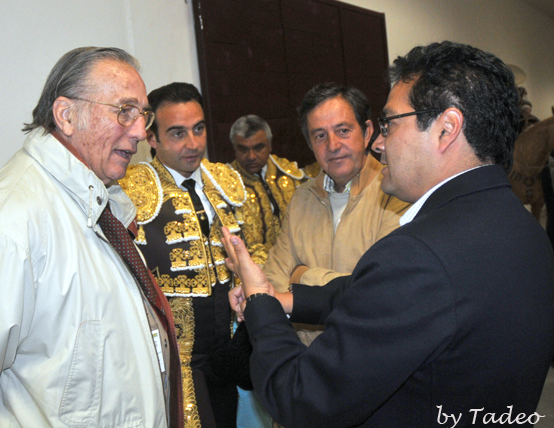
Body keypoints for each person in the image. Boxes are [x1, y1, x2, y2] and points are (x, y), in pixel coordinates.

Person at [221, 41, 554, 427]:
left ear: (446, 129)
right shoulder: (526, 231)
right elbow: (370, 294)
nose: (378, 143)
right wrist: (282, 297)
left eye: (390, 124)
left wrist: (260, 302)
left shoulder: (418, 252)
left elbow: (301, 397)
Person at [0, 47, 182, 428]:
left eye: (143, 114)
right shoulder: (7, 224)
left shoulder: (101, 203)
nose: (141, 132)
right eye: (124, 111)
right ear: (66, 115)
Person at [119, 83, 257, 428]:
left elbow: (258, 251)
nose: (193, 144)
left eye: (198, 129)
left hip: (233, 350)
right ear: (151, 137)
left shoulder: (227, 181)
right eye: (177, 133)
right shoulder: (128, 191)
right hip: (174, 360)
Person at [263, 83, 409, 344]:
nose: (333, 145)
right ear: (310, 144)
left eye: (343, 130)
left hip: (369, 352)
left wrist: (301, 276)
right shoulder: (301, 199)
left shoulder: (397, 194)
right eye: (320, 136)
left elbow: (376, 292)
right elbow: (273, 280)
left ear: (367, 132)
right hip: (306, 354)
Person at [229, 114, 305, 263]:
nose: (251, 156)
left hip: (298, 260)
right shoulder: (226, 184)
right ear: (234, 149)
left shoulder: (291, 174)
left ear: (270, 145)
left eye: (258, 148)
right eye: (243, 149)